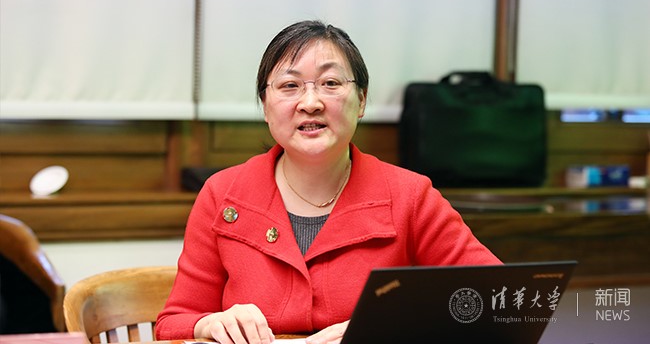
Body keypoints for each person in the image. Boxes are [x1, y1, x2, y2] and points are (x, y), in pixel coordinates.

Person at [155, 20, 501, 344]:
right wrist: (209, 323)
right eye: (289, 86)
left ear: (361, 100)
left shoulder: (410, 196)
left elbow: (500, 302)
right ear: (265, 106)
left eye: (331, 84)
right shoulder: (222, 194)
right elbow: (173, 323)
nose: (310, 103)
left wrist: (390, 325)